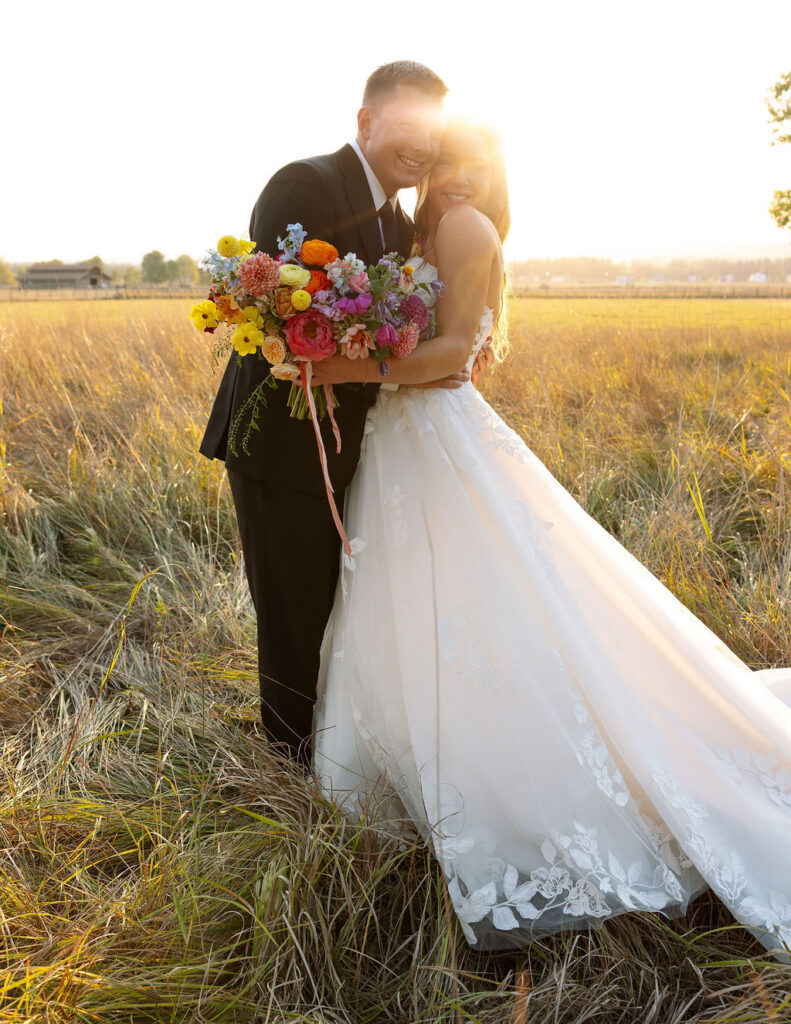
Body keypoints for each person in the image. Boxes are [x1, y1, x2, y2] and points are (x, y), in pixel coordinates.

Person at [309, 118, 791, 962]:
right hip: (410, 440)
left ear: (481, 166)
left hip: (434, 437)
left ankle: (512, 796)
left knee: (476, 609)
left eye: (456, 153)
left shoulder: (460, 223)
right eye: (433, 154)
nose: (440, 167)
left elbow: (455, 353)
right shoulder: (427, 226)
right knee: (431, 601)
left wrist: (336, 368)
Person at [199, 61, 491, 770]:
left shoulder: (398, 220)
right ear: (365, 122)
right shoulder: (306, 184)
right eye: (408, 127)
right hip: (282, 446)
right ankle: (288, 767)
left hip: (353, 446)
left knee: (332, 613)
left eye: (434, 133)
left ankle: (329, 748)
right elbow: (273, 311)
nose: (421, 146)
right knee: (292, 615)